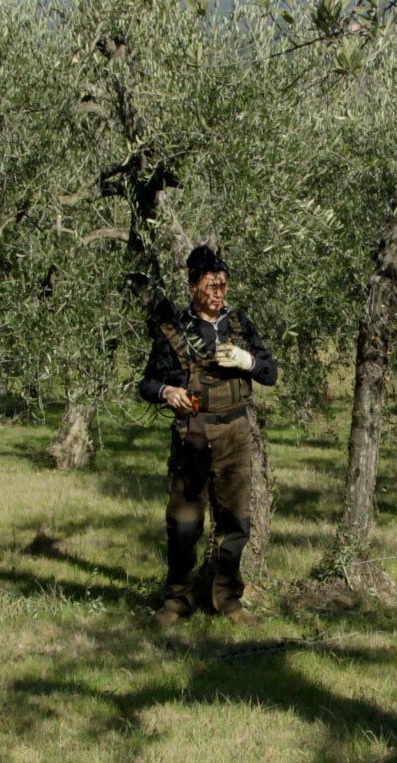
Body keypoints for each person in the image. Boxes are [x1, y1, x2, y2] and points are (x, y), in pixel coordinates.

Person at [138, 245, 278, 625]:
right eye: (211, 286)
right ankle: (177, 601)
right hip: (193, 435)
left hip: (235, 433)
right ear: (192, 287)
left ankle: (228, 601)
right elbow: (147, 383)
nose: (219, 294)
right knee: (184, 524)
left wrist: (247, 361)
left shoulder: (239, 325)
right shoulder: (175, 330)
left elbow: (270, 373)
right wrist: (168, 392)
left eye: (223, 286)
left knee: (234, 523)